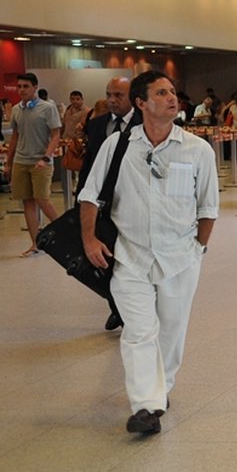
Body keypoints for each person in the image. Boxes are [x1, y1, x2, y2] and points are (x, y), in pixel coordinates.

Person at [78, 70, 219, 435]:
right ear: (141, 103)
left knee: (171, 331)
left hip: (180, 258)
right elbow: (89, 195)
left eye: (173, 92)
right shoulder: (118, 146)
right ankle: (146, 406)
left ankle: (162, 387)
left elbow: (208, 208)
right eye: (161, 92)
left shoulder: (197, 149)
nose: (172, 98)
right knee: (139, 332)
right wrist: (90, 239)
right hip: (130, 257)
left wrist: (197, 249)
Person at [78, 76, 140, 331]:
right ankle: (116, 305)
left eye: (118, 95)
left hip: (129, 204)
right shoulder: (96, 125)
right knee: (104, 259)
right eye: (109, 95)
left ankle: (128, 309)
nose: (112, 101)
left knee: (126, 260)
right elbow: (89, 164)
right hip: (99, 203)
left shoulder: (143, 124)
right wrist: (82, 196)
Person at [4, 73, 63, 258]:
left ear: (35, 87)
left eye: (26, 86)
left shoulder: (48, 108)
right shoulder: (16, 110)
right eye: (19, 86)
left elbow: (55, 135)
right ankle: (35, 243)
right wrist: (9, 162)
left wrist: (46, 157)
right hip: (22, 161)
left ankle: (65, 233)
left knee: (42, 199)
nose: (22, 90)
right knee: (27, 202)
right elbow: (15, 136)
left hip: (41, 162)